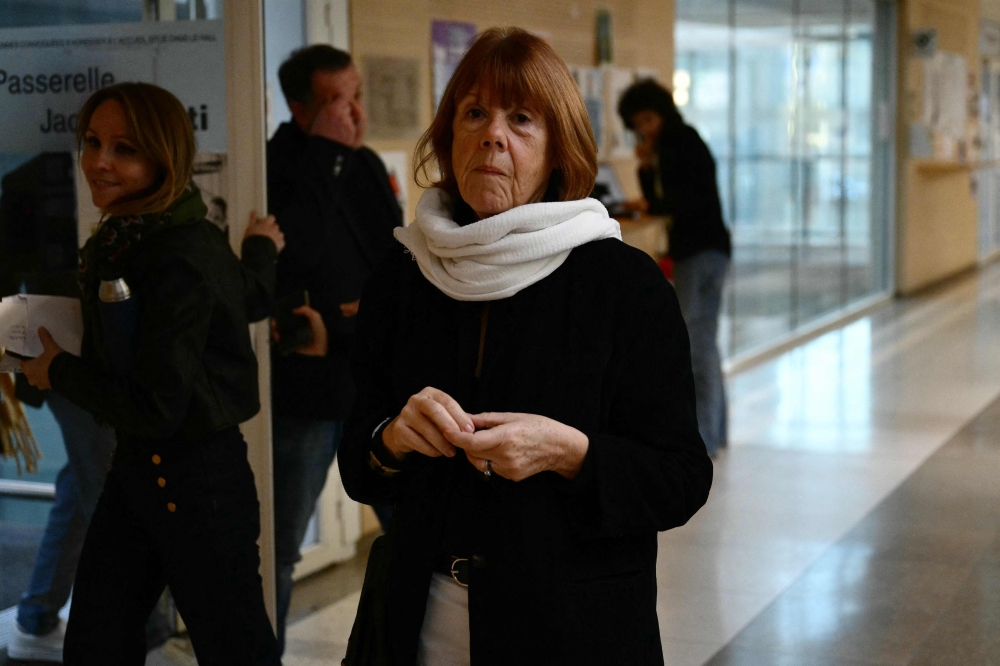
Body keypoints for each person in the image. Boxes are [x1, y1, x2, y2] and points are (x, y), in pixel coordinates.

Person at [339, 27, 714, 665]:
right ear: (448, 135)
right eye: (475, 113)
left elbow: (680, 478)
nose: (493, 135)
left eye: (522, 119)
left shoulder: (623, 285)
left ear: (557, 152)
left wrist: (570, 454)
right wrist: (393, 437)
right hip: (417, 619)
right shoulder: (405, 275)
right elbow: (356, 460)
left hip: (569, 629)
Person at [19, 82, 286, 665]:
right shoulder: (131, 234)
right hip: (142, 471)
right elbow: (249, 294)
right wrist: (260, 249)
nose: (99, 162)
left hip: (197, 483)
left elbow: (155, 405)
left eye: (125, 149)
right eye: (92, 142)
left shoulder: (178, 249)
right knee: (94, 644)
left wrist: (58, 371)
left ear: (162, 158)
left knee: (234, 650)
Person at [266, 44, 401, 651]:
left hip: (373, 374)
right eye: (335, 102)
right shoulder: (278, 163)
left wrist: (357, 314)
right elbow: (299, 253)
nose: (353, 113)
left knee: (409, 522)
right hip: (308, 381)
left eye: (357, 97)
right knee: (281, 541)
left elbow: (392, 256)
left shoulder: (367, 164)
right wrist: (325, 156)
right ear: (299, 108)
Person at [0, 153, 118, 663]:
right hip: (65, 355)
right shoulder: (35, 179)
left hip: (90, 356)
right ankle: (141, 627)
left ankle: (37, 615)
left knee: (88, 483)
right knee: (108, 493)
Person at [618, 79, 732, 457]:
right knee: (705, 340)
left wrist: (654, 198)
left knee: (696, 344)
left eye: (649, 119)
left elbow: (685, 200)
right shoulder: (672, 143)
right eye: (639, 124)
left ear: (662, 113)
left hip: (700, 253)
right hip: (705, 250)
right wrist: (647, 168)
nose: (646, 129)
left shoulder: (681, 140)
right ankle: (717, 430)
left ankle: (704, 438)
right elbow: (660, 198)